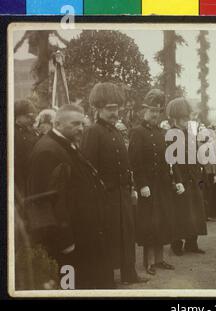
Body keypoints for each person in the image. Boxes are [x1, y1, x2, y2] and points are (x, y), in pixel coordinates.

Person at [26, 104, 113, 289]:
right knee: (72, 287)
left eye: (82, 124)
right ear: (57, 123)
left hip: (83, 235)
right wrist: (64, 241)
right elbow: (43, 202)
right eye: (75, 124)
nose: (80, 128)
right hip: (69, 242)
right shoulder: (48, 151)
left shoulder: (64, 145)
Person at [80, 82, 144, 285]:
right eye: (110, 109)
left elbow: (125, 165)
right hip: (105, 198)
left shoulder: (117, 132)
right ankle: (106, 277)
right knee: (108, 237)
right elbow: (88, 170)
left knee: (127, 234)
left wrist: (131, 188)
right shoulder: (92, 132)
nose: (115, 112)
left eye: (117, 108)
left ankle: (129, 274)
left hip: (123, 196)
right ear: (97, 108)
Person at [128, 89, 175, 276]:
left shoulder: (161, 132)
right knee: (148, 224)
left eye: (157, 111)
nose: (155, 114)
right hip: (147, 186)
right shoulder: (137, 132)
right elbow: (134, 161)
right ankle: (148, 263)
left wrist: (171, 181)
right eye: (151, 111)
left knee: (161, 222)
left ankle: (160, 259)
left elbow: (166, 161)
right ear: (144, 111)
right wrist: (142, 184)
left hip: (161, 186)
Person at [167, 98, 208, 255]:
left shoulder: (191, 134)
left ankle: (192, 243)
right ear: (176, 118)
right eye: (184, 118)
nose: (187, 121)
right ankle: (176, 244)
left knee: (195, 211)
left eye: (187, 118)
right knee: (179, 213)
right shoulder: (170, 134)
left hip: (193, 178)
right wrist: (177, 180)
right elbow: (171, 161)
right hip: (180, 179)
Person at [14, 99, 39, 198]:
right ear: (17, 116)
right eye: (27, 116)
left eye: (32, 116)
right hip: (18, 176)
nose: (31, 119)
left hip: (30, 174)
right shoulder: (12, 132)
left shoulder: (30, 130)